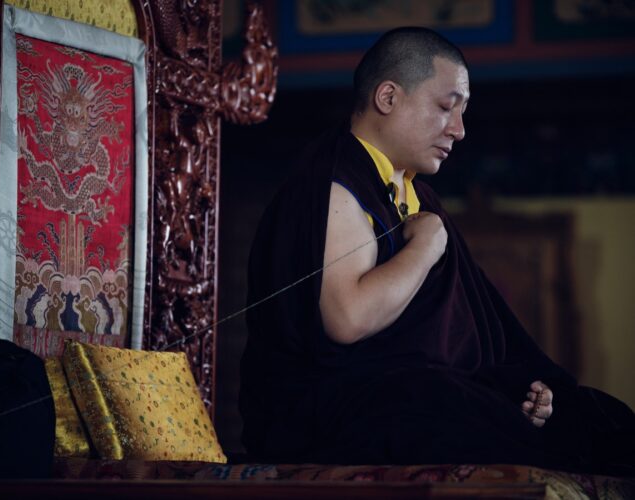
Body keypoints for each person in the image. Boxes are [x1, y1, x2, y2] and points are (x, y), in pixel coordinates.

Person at [240, 27, 634, 473]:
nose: (460, 130)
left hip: (406, 388)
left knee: (597, 417)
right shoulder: (335, 183)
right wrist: (427, 245)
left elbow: (463, 335)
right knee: (444, 408)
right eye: (446, 107)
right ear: (387, 97)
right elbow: (348, 320)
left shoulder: (419, 197)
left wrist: (517, 385)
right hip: (317, 413)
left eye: (462, 112)